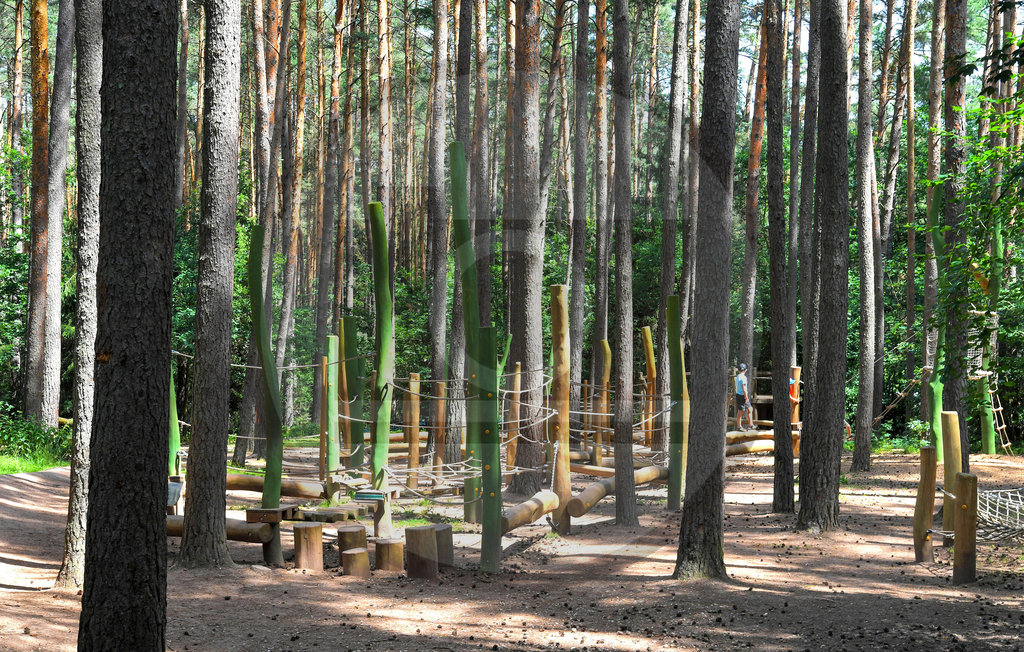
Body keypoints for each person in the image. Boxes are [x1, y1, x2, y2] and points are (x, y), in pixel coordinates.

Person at [735, 363, 753, 431]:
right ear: (746, 370)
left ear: (738, 370)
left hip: (739, 395)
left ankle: (750, 425)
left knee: (750, 409)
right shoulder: (744, 378)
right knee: (741, 411)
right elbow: (744, 388)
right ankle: (739, 427)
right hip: (742, 396)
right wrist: (746, 397)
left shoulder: (738, 376)